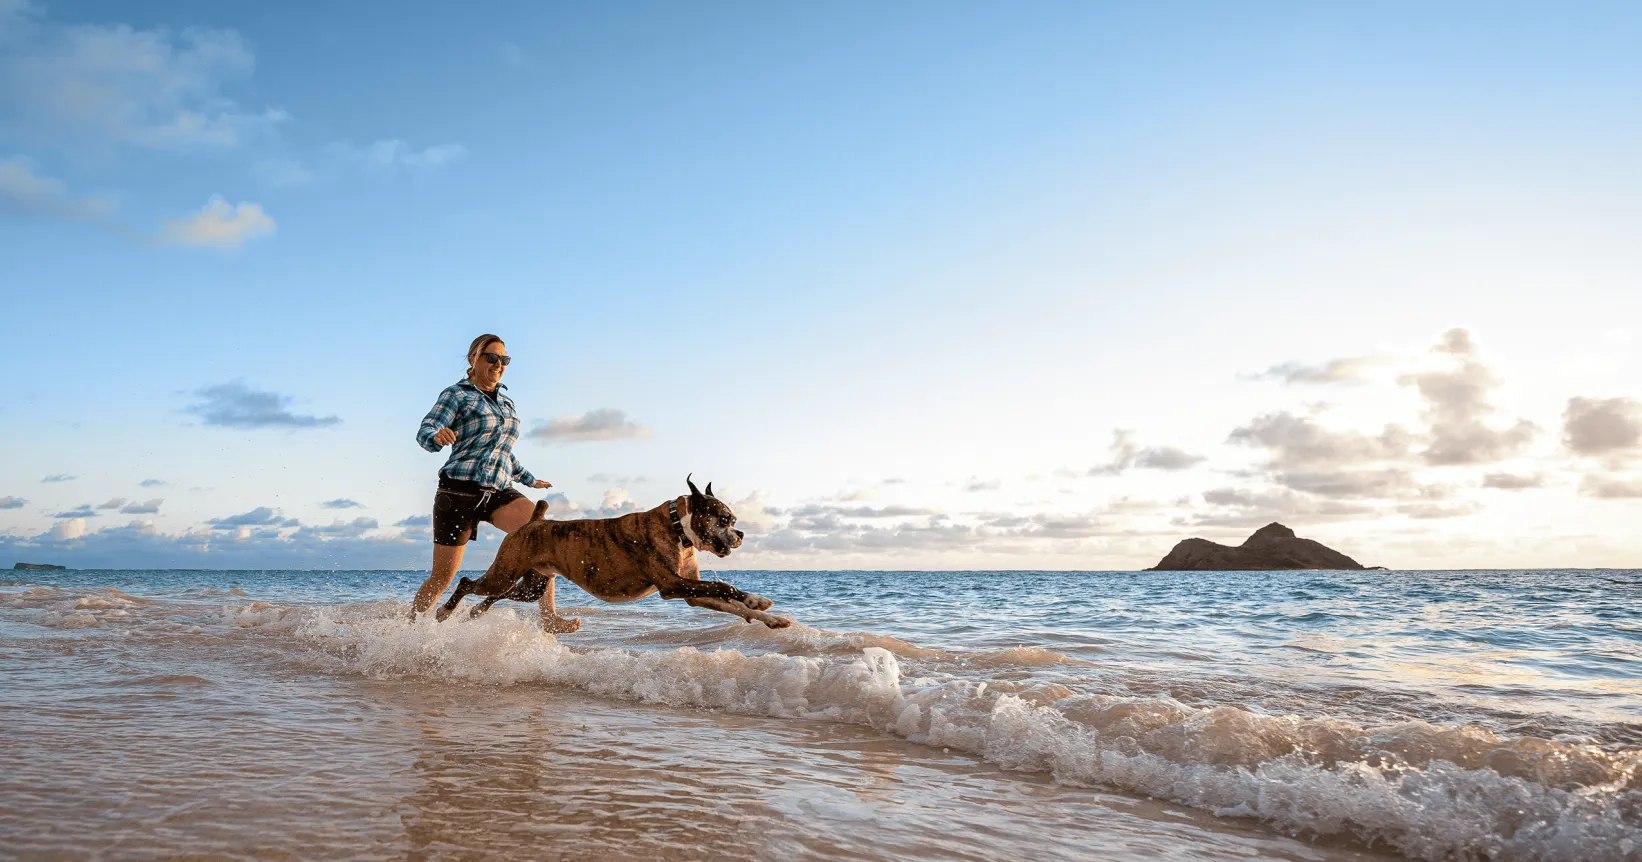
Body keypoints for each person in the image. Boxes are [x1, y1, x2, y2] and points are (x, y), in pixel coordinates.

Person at [410, 334, 557, 623]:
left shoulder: (507, 402)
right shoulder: (456, 394)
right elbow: (426, 429)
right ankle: (409, 630)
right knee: (442, 576)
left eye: (504, 359)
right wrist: (436, 436)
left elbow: (504, 452)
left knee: (545, 538)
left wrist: (529, 479)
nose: (498, 364)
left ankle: (549, 617)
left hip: (500, 491)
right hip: (458, 493)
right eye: (491, 357)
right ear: (473, 359)